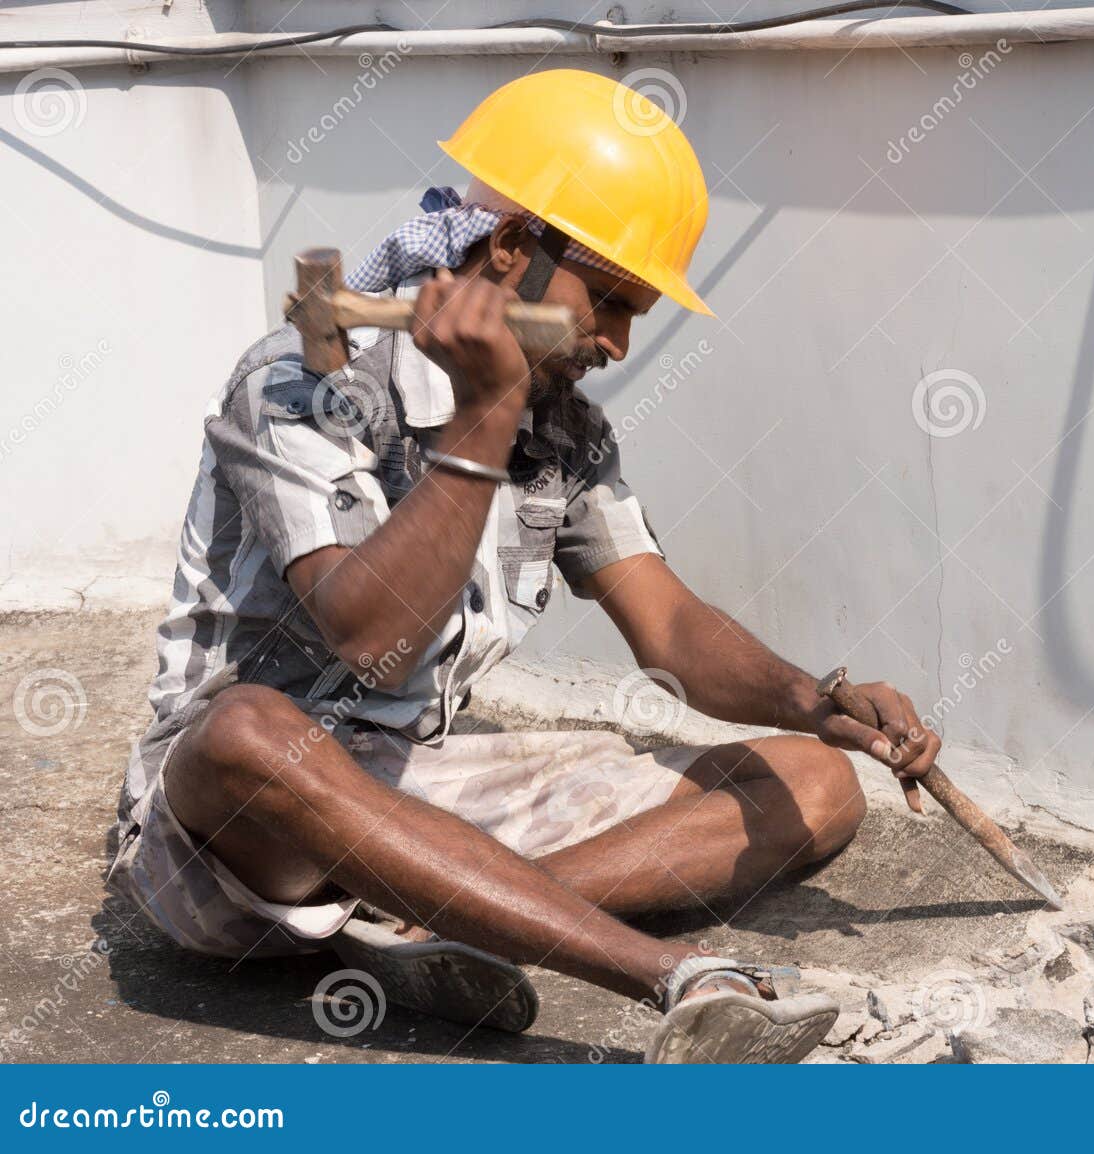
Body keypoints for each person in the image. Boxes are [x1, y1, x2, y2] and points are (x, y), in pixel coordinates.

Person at [107, 69, 940, 1063]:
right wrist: (484, 413)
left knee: (811, 780)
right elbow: (369, 636)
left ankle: (448, 919)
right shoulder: (297, 385)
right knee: (248, 731)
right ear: (508, 248)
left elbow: (670, 625)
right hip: (235, 833)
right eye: (613, 301)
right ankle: (659, 972)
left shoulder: (565, 431)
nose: (621, 343)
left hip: (413, 790)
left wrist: (813, 696)